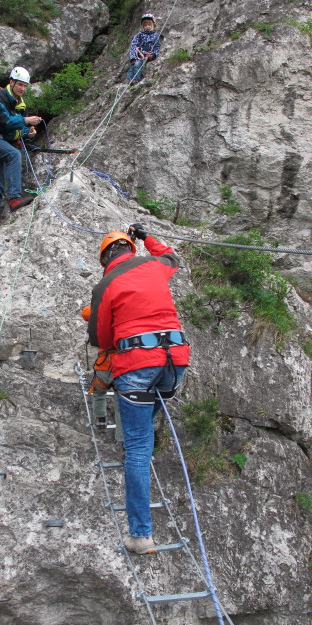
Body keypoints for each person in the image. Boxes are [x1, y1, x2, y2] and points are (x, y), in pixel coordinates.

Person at [87, 225, 190, 555]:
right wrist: (147, 236)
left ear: (105, 257)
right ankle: (142, 435)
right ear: (130, 248)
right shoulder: (154, 265)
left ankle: (141, 535)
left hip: (136, 365)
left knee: (137, 447)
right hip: (176, 362)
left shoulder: (106, 284)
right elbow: (172, 256)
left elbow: (101, 339)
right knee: (143, 428)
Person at [0, 66, 42, 236]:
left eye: (25, 86)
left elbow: (12, 130)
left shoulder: (17, 104)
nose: (22, 88)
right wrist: (25, 120)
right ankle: (14, 197)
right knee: (14, 155)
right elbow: (4, 121)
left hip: (0, 139)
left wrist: (27, 131)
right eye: (19, 84)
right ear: (11, 82)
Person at [81, 306, 123, 444]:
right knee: (120, 404)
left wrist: (99, 305)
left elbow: (86, 313)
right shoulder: (123, 316)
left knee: (99, 392)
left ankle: (100, 419)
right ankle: (122, 440)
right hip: (121, 367)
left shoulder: (102, 315)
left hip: (104, 366)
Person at [126, 13, 161, 85]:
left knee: (137, 64)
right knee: (133, 65)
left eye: (149, 24)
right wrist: (133, 57)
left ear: (153, 25)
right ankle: (129, 79)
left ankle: (136, 79)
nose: (147, 26)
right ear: (143, 26)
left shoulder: (155, 35)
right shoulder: (139, 35)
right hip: (139, 53)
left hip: (146, 55)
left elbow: (157, 46)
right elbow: (133, 45)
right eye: (145, 25)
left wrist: (153, 55)